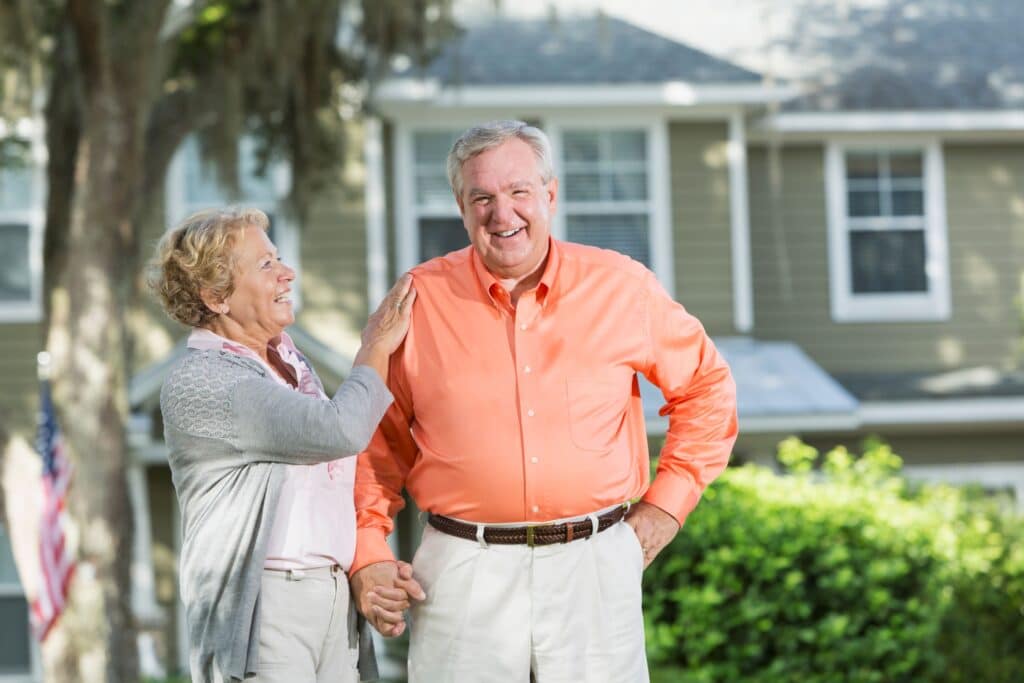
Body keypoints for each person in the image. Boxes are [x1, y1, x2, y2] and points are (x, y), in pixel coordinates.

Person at [350, 120, 738, 682]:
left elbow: (706, 388)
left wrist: (664, 509)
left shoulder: (621, 286)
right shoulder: (417, 302)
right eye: (481, 197)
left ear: (549, 195)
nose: (501, 214)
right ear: (461, 207)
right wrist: (370, 552)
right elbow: (372, 442)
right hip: (463, 570)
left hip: (595, 564)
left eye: (519, 192)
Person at [149, 206, 420, 683]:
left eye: (278, 259)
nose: (287, 273)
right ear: (216, 297)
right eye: (266, 265)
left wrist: (366, 563)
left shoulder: (290, 363)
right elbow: (339, 431)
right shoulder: (206, 381)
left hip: (333, 599)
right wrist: (375, 348)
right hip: (267, 604)